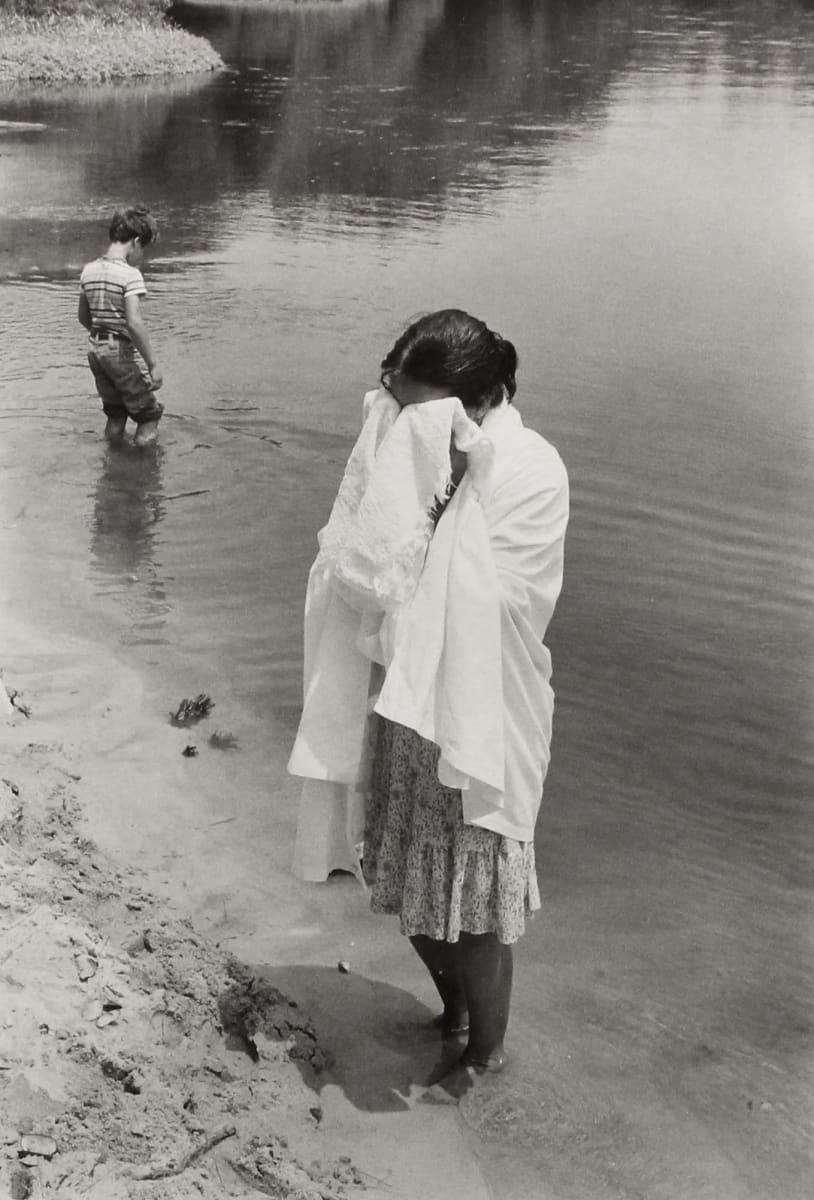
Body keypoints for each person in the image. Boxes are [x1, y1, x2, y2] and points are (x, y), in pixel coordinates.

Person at [288, 308, 569, 1102]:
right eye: (397, 405)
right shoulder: (415, 450)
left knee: (478, 902)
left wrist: (425, 510)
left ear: (479, 403)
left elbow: (498, 598)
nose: (402, 423)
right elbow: (367, 563)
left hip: (481, 708)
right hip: (407, 700)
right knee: (406, 878)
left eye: (422, 410)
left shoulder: (529, 468)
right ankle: (449, 1015)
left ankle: (487, 1051)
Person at [78, 206, 164, 446]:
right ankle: (137, 474)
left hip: (95, 350)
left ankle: (112, 462)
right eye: (143, 249)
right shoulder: (130, 275)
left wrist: (102, 339)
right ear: (136, 242)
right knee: (148, 416)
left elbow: (83, 317)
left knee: (116, 414)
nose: (142, 255)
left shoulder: (88, 270)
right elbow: (134, 323)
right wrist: (153, 365)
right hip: (118, 353)